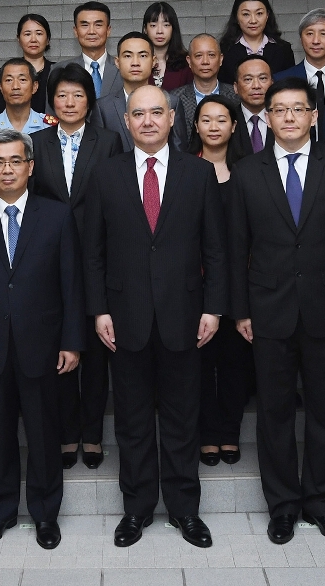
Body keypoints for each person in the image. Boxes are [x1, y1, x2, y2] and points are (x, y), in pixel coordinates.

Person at [84, 85, 228, 549]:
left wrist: (213, 308)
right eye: (137, 113)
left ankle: (185, 510)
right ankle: (137, 508)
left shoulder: (199, 173)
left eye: (156, 113)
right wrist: (99, 310)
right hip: (124, 319)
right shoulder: (104, 174)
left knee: (183, 418)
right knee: (131, 421)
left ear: (171, 119)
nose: (147, 121)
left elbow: (216, 250)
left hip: (185, 317)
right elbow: (93, 253)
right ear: (125, 122)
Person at [229, 77, 325, 546]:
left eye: (297, 109)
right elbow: (236, 249)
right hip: (267, 312)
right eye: (279, 110)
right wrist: (241, 309)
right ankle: (283, 506)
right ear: (266, 117)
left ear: (314, 115)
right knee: (274, 413)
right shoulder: (248, 172)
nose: (289, 117)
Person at [0, 129, 86, 550]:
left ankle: (46, 515)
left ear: (30, 167)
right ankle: (1, 512)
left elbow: (71, 285)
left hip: (42, 344)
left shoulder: (57, 215)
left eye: (15, 161)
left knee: (45, 433)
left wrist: (72, 340)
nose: (7, 169)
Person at [30, 63, 122, 470]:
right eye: (62, 95)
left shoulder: (110, 141)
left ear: (90, 101)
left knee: (98, 353)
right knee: (59, 352)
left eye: (78, 95)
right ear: (51, 100)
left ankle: (92, 434)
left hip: (98, 258)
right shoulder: (35, 142)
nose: (69, 102)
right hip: (48, 263)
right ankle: (67, 434)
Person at [185, 95, 252, 468]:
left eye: (221, 119)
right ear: (196, 126)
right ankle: (207, 434)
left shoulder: (248, 170)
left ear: (234, 126)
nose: (213, 126)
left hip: (240, 282)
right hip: (196, 283)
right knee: (198, 362)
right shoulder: (183, 168)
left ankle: (229, 432)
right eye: (206, 119)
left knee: (233, 363)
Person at [275, 8, 325, 143]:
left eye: (323, 34)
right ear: (300, 38)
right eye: (309, 33)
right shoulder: (282, 80)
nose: (316, 40)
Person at [170, 34, 237, 150]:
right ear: (189, 61)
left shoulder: (236, 96)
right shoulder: (174, 98)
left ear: (220, 59)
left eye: (211, 55)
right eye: (198, 56)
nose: (205, 61)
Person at [219, 0, 297, 84]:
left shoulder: (283, 49)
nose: (253, 20)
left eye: (259, 13)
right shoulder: (224, 49)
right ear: (236, 17)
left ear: (267, 15)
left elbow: (290, 86)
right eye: (246, 14)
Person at [95, 32, 154, 150]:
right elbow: (100, 153)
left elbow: (179, 154)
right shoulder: (103, 107)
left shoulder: (172, 102)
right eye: (128, 56)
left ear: (154, 61)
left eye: (142, 56)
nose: (135, 63)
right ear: (117, 62)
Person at [0, 14, 55, 115]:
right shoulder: (4, 72)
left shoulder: (58, 71)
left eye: (39, 34)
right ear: (18, 39)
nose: (33, 39)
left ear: (48, 39)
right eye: (27, 34)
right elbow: (0, 110)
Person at [61, 1, 119, 99]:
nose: (91, 31)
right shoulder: (60, 70)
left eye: (98, 25)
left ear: (108, 30)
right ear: (75, 31)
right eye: (85, 25)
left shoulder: (123, 68)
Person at [0, 59, 58, 133]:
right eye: (9, 80)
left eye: (22, 80)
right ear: (1, 87)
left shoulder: (50, 126)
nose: (15, 86)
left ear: (34, 86)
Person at [143, 2, 191, 91]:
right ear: (145, 29)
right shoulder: (139, 62)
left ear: (173, 28)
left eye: (166, 25)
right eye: (153, 25)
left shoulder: (186, 63)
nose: (159, 31)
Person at [235, 56, 274, 153]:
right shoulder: (228, 119)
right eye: (248, 79)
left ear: (272, 84)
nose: (256, 86)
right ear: (236, 87)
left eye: (263, 78)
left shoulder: (284, 118)